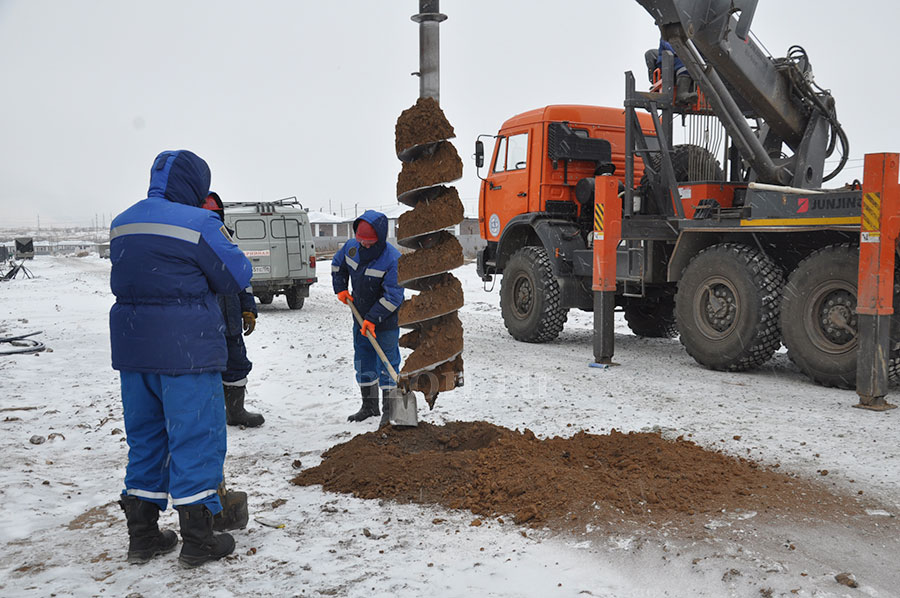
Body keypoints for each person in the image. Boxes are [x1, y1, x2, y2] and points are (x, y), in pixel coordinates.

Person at [109, 149, 252, 568]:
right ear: (194, 185)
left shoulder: (123, 222)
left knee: (146, 440)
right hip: (186, 354)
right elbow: (237, 274)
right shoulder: (199, 222)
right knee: (196, 439)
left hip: (134, 353)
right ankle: (197, 538)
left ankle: (143, 537)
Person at [332, 210, 404, 427]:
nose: (364, 246)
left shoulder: (392, 259)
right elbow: (338, 266)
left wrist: (373, 319)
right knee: (363, 360)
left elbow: (393, 296)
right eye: (361, 241)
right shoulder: (351, 248)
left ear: (380, 239)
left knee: (387, 363)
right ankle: (369, 405)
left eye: (369, 242)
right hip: (360, 317)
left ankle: (390, 411)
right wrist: (341, 288)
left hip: (385, 322)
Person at [200, 191, 264, 428]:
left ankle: (236, 412)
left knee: (237, 365)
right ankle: (207, 417)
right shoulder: (187, 247)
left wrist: (249, 309)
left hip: (230, 322)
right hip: (203, 325)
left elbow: (243, 282)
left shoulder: (227, 243)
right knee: (205, 369)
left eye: (215, 215)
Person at [645, 38, 697, 105]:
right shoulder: (668, 35)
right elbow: (673, 48)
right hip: (666, 63)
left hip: (678, 63)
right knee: (684, 62)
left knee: (689, 62)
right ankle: (681, 94)